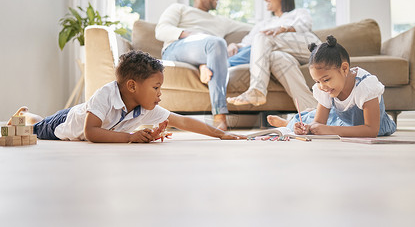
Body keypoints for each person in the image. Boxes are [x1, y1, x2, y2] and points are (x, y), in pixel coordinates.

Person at [8, 50, 245, 142]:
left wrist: (222, 135)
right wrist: (130, 137)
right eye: (156, 88)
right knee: (38, 127)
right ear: (132, 86)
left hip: (81, 117)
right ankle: (27, 115)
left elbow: (181, 120)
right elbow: (91, 132)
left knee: (40, 123)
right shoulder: (106, 94)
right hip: (67, 123)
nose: (160, 95)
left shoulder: (146, 107)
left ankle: (29, 115)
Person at [155, 0, 252, 131]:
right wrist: (191, 35)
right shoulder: (179, 8)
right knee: (217, 43)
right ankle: (219, 114)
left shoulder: (221, 21)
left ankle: (207, 65)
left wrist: (237, 45)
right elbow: (161, 30)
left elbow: (254, 29)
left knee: (253, 49)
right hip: (177, 49)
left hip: (213, 52)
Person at [266, 35, 396, 138]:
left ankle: (288, 123)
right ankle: (289, 124)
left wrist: (329, 130)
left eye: (326, 79)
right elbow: (319, 122)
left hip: (372, 125)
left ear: (344, 69)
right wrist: (307, 129)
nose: (322, 86)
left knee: (329, 123)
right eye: (317, 81)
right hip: (344, 122)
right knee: (314, 118)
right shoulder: (327, 88)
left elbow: (371, 130)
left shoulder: (365, 86)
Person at [226, 0, 321, 110]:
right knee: (276, 57)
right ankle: (312, 112)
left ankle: (257, 90)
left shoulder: (298, 13)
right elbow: (247, 43)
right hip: (283, 53)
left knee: (263, 36)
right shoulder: (264, 24)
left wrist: (284, 28)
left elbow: (305, 24)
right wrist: (234, 44)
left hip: (309, 48)